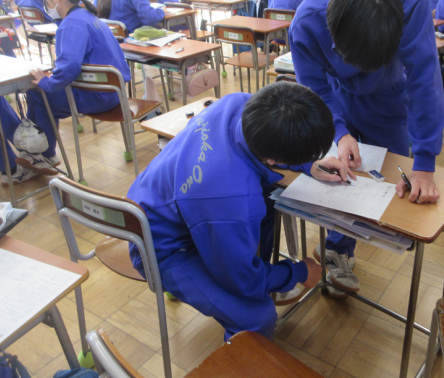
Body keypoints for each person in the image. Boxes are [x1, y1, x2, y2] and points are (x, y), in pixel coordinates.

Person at [127, 82, 353, 340]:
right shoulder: (231, 198)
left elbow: (264, 143)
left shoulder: (237, 103)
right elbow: (240, 279)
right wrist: (298, 272)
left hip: (158, 200)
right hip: (159, 247)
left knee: (267, 204)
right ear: (273, 159)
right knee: (257, 318)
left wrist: (308, 164)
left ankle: (262, 279)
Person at [290, 0, 444, 297]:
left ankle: (344, 243)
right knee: (345, 175)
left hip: (389, 96)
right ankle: (336, 249)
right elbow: (315, 88)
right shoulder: (305, 26)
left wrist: (424, 163)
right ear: (335, 42)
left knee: (390, 185)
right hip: (337, 97)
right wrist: (340, 132)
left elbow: (425, 78)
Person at [20, 0, 131, 174]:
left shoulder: (71, 24)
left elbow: (68, 69)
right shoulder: (89, 17)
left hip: (97, 97)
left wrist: (46, 82)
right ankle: (38, 153)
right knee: (41, 92)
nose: (46, 5)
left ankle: (43, 154)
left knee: (38, 93)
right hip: (115, 92)